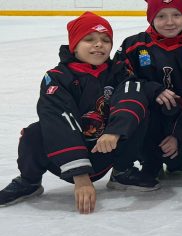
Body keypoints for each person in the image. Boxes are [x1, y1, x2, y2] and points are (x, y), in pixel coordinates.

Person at [0, 13, 155, 212]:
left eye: (105, 40)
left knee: (138, 111)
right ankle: (29, 181)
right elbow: (59, 122)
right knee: (34, 132)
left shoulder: (120, 72)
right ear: (74, 45)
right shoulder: (57, 77)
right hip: (66, 158)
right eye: (89, 39)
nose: (99, 44)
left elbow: (130, 99)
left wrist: (115, 131)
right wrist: (80, 176)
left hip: (106, 148)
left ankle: (122, 171)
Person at [116, 0, 182, 181]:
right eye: (161, 16)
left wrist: (179, 136)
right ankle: (149, 160)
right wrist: (152, 90)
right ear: (151, 18)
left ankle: (179, 155)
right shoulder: (134, 46)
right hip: (150, 120)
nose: (170, 22)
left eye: (176, 15)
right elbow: (120, 82)